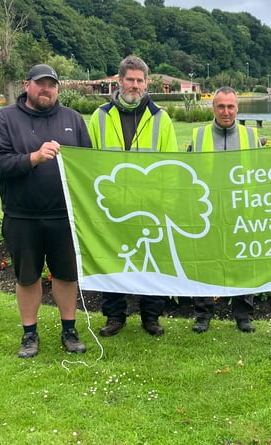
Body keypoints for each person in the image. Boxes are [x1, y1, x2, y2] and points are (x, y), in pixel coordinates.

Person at [0, 64, 91, 358]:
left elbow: (87, 166)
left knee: (66, 276)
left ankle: (69, 330)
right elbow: (0, 164)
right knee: (27, 278)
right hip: (22, 216)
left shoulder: (72, 119)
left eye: (52, 85)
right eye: (41, 84)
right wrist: (33, 157)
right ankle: (29, 334)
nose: (47, 89)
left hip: (63, 216)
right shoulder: (5, 119)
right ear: (27, 84)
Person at [88, 55, 178, 337]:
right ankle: (115, 316)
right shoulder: (100, 117)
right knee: (112, 260)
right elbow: (88, 163)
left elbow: (172, 166)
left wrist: (167, 204)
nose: (135, 85)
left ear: (146, 82)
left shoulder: (161, 118)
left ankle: (151, 317)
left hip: (150, 207)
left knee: (152, 263)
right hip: (111, 205)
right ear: (119, 80)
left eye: (140, 80)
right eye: (130, 79)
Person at [188, 86, 260, 334]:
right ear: (213, 108)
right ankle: (203, 314)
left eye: (230, 106)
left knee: (243, 262)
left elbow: (263, 173)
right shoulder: (198, 136)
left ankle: (243, 315)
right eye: (221, 106)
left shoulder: (251, 136)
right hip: (208, 211)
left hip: (243, 210)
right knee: (206, 262)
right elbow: (188, 174)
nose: (226, 111)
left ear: (237, 108)